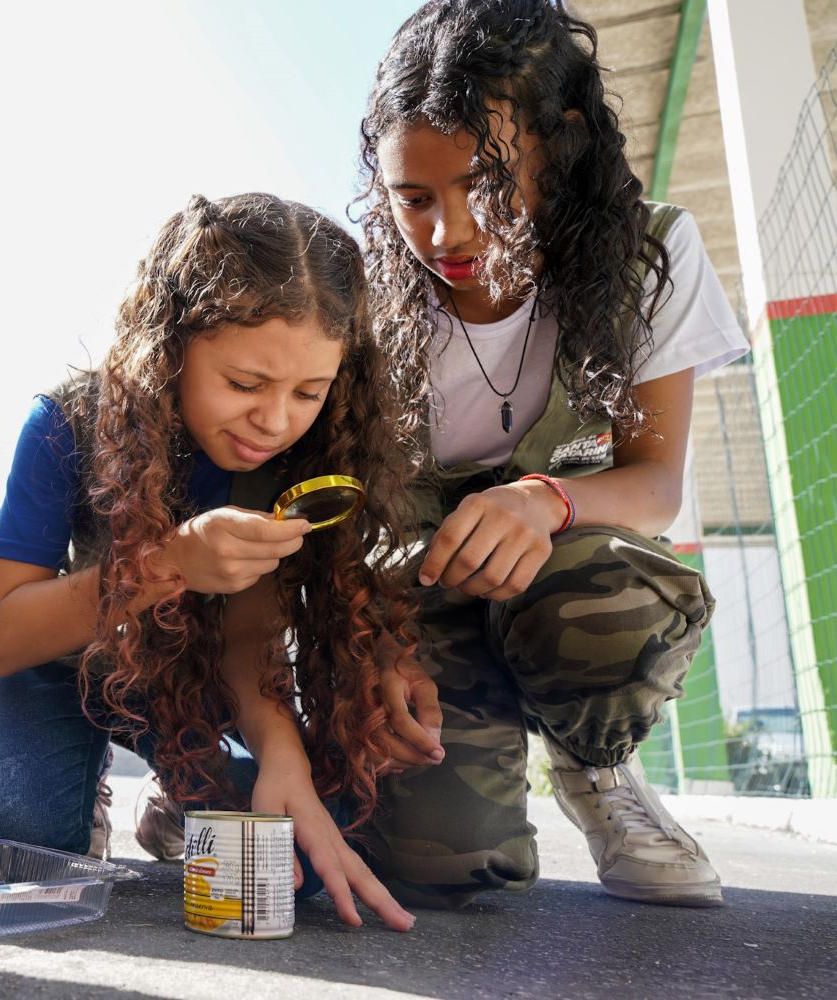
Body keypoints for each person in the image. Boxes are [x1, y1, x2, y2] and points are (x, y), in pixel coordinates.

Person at [0, 192, 442, 932]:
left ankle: (180, 793)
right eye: (244, 385)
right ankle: (88, 784)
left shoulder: (299, 453)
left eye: (308, 391)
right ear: (171, 347)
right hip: (56, 665)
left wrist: (283, 755)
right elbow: (5, 637)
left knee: (291, 858)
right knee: (8, 850)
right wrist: (168, 564)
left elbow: (249, 635)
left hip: (195, 675)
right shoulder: (64, 425)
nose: (274, 421)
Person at [356, 0, 748, 909]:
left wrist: (545, 500)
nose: (448, 234)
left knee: (609, 597)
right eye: (414, 199)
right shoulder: (360, 302)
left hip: (559, 576)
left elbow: (655, 484)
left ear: (561, 144)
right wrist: (371, 638)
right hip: (416, 600)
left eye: (486, 185)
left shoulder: (653, 254)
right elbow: (328, 511)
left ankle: (594, 765)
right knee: (447, 863)